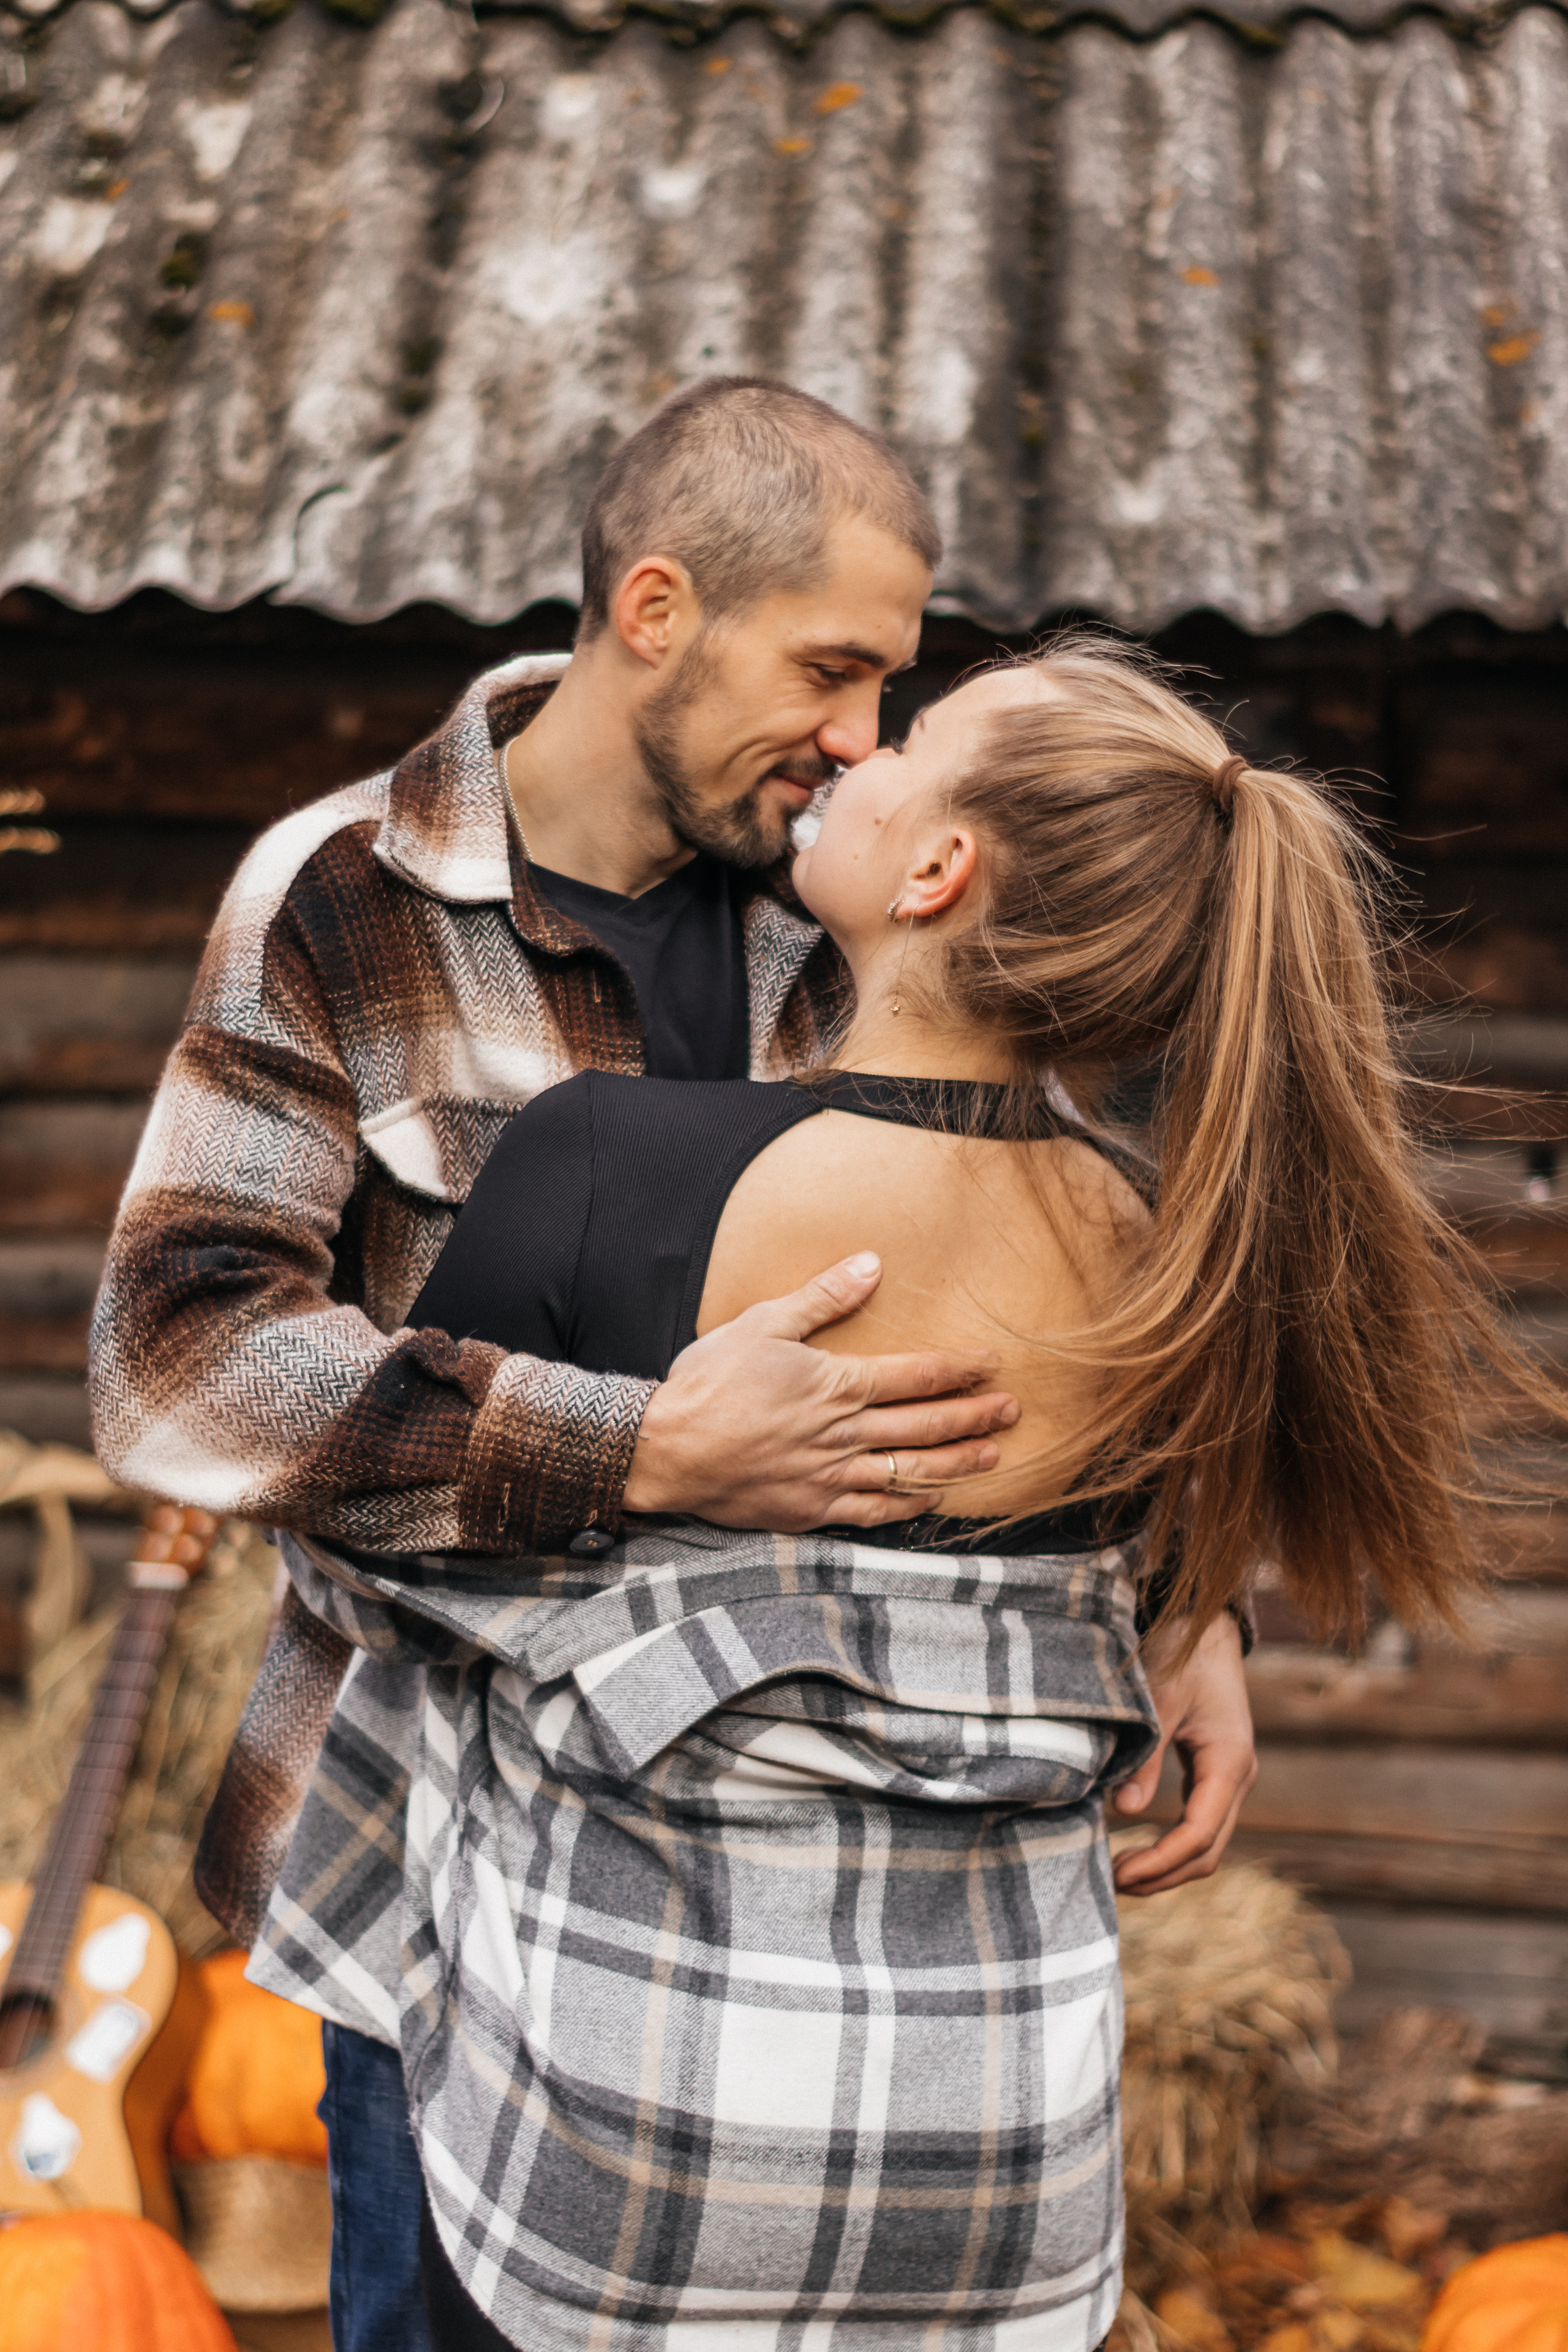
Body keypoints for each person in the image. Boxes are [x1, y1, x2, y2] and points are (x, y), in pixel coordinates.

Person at [89, 386, 1258, 2352]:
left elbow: (1053, 1286)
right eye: (830, 669)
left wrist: (1187, 1592)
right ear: (656, 610)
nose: (860, 738)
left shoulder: (865, 904)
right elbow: (178, 1363)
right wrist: (633, 1448)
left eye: (892, 690)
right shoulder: (343, 897)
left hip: (854, 1930)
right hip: (456, 1884)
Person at [251, 635, 1553, 2351]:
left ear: (938, 870)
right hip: (990, 2187)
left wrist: (625, 1459)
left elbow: (360, 1534)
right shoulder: (1156, 1250)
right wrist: (1193, 1619)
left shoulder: (607, 1163)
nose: (854, 756)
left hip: (625, 2170)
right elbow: (1120, 1579)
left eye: (910, 746)